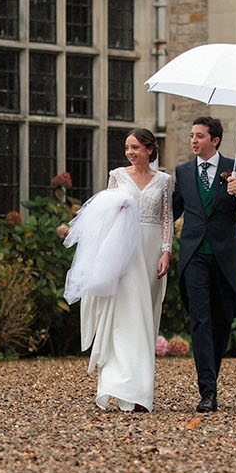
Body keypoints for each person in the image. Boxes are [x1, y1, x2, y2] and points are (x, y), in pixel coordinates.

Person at [65, 128, 174, 412]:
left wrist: (166, 250)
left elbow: (166, 218)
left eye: (135, 147)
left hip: (151, 254)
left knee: (146, 319)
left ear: (150, 149)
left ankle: (140, 392)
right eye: (127, 147)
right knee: (125, 317)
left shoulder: (164, 181)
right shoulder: (117, 176)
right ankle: (117, 384)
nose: (130, 152)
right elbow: (103, 216)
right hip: (123, 253)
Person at [172, 115, 236, 413]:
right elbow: (172, 211)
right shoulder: (183, 172)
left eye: (200, 136)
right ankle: (207, 391)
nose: (193, 140)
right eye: (192, 135)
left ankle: (211, 378)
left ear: (215, 140)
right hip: (194, 255)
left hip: (224, 257)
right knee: (200, 320)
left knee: (221, 321)